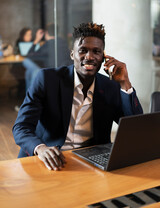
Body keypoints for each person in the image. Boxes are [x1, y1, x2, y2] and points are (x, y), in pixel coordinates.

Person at [12, 22, 143, 171]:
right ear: (72, 54)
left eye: (96, 51)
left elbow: (137, 129)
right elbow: (21, 127)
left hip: (90, 163)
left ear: (103, 57)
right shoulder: (47, 79)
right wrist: (41, 149)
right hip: (47, 160)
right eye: (83, 50)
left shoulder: (110, 86)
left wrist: (125, 84)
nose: (89, 57)